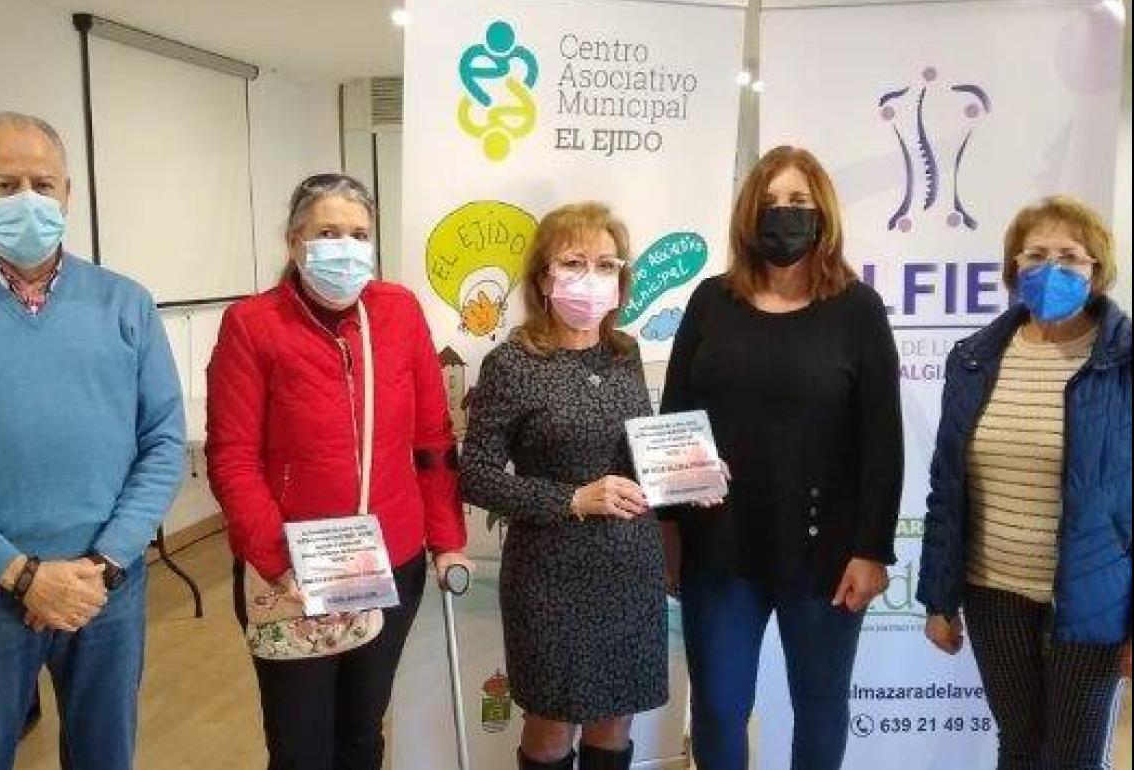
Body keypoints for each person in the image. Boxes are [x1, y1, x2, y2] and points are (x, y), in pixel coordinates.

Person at [0, 111, 186, 770]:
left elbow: (164, 442)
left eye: (43, 184)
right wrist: (21, 575)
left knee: (105, 757)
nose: (27, 198)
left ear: (67, 194)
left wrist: (104, 563)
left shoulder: (126, 304)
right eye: (5, 184)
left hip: (105, 588)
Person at [205, 172, 471, 770]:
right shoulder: (253, 324)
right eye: (328, 233)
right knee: (300, 748)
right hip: (294, 569)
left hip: (391, 560)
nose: (345, 247)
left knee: (361, 735)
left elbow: (432, 440)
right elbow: (232, 456)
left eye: (358, 234)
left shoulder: (398, 312)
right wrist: (274, 558)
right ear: (294, 240)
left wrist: (448, 540)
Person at [659, 146, 904, 770]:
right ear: (748, 214)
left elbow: (882, 439)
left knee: (819, 705)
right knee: (719, 706)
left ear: (823, 213)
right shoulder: (711, 301)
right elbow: (675, 417)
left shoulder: (857, 309)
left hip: (826, 553)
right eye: (769, 201)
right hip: (719, 545)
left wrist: (872, 550)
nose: (783, 212)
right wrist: (668, 530)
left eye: (798, 200)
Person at [918, 195, 1132, 769]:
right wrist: (939, 598)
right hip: (994, 591)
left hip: (1092, 596)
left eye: (1069, 256)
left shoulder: (1124, 362)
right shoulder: (974, 359)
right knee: (1018, 745)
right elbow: (947, 487)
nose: (1050, 269)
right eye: (1035, 255)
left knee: (1074, 756)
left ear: (1095, 270)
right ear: (1014, 266)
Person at [461, 202, 667, 770]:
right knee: (550, 729)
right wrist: (571, 499)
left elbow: (639, 455)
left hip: (629, 568)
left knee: (615, 724)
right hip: (550, 575)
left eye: (605, 264)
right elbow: (476, 475)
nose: (590, 277)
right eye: (574, 262)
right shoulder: (511, 363)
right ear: (543, 278)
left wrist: (687, 472)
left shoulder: (626, 354)